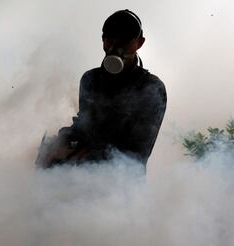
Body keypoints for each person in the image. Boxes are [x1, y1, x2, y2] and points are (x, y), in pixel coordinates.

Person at [57, 9, 166, 169]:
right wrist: (62, 141)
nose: (115, 47)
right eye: (110, 39)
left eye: (124, 41)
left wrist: (88, 154)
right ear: (103, 40)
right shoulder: (90, 79)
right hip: (80, 178)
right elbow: (85, 125)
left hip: (120, 186)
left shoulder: (152, 88)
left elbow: (138, 154)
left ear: (140, 43)